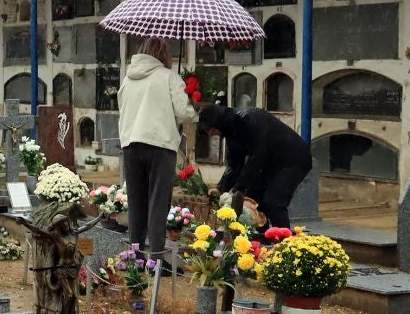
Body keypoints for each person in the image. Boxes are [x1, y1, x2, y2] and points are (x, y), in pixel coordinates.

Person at [116, 37, 196, 258]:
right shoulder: (169, 77)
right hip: (160, 146)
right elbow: (185, 113)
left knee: (136, 201)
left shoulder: (128, 79)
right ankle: (157, 259)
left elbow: (122, 107)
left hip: (131, 144)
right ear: (163, 54)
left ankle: (136, 257)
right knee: (158, 202)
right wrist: (191, 99)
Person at [195, 103, 314, 228]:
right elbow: (235, 163)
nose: (209, 133)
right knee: (252, 200)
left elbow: (257, 157)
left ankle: (284, 241)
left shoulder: (249, 120)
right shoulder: (231, 131)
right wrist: (221, 188)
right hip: (272, 161)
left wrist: (238, 188)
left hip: (294, 158)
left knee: (273, 201)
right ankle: (262, 239)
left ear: (218, 122)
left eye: (209, 129)